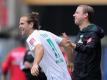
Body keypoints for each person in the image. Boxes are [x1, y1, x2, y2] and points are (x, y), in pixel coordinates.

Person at [19, 12, 72, 80]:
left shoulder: (31, 38)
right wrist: (70, 61)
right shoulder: (46, 33)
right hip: (66, 77)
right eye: (19, 24)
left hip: (54, 77)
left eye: (22, 23)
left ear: (31, 24)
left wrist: (35, 64)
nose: (19, 26)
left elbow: (39, 48)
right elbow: (67, 44)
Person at [63, 5, 104, 80]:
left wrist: (73, 45)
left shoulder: (93, 32)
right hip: (77, 76)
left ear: (85, 15)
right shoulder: (82, 32)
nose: (74, 15)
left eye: (77, 12)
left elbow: (89, 49)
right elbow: (79, 54)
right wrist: (69, 60)